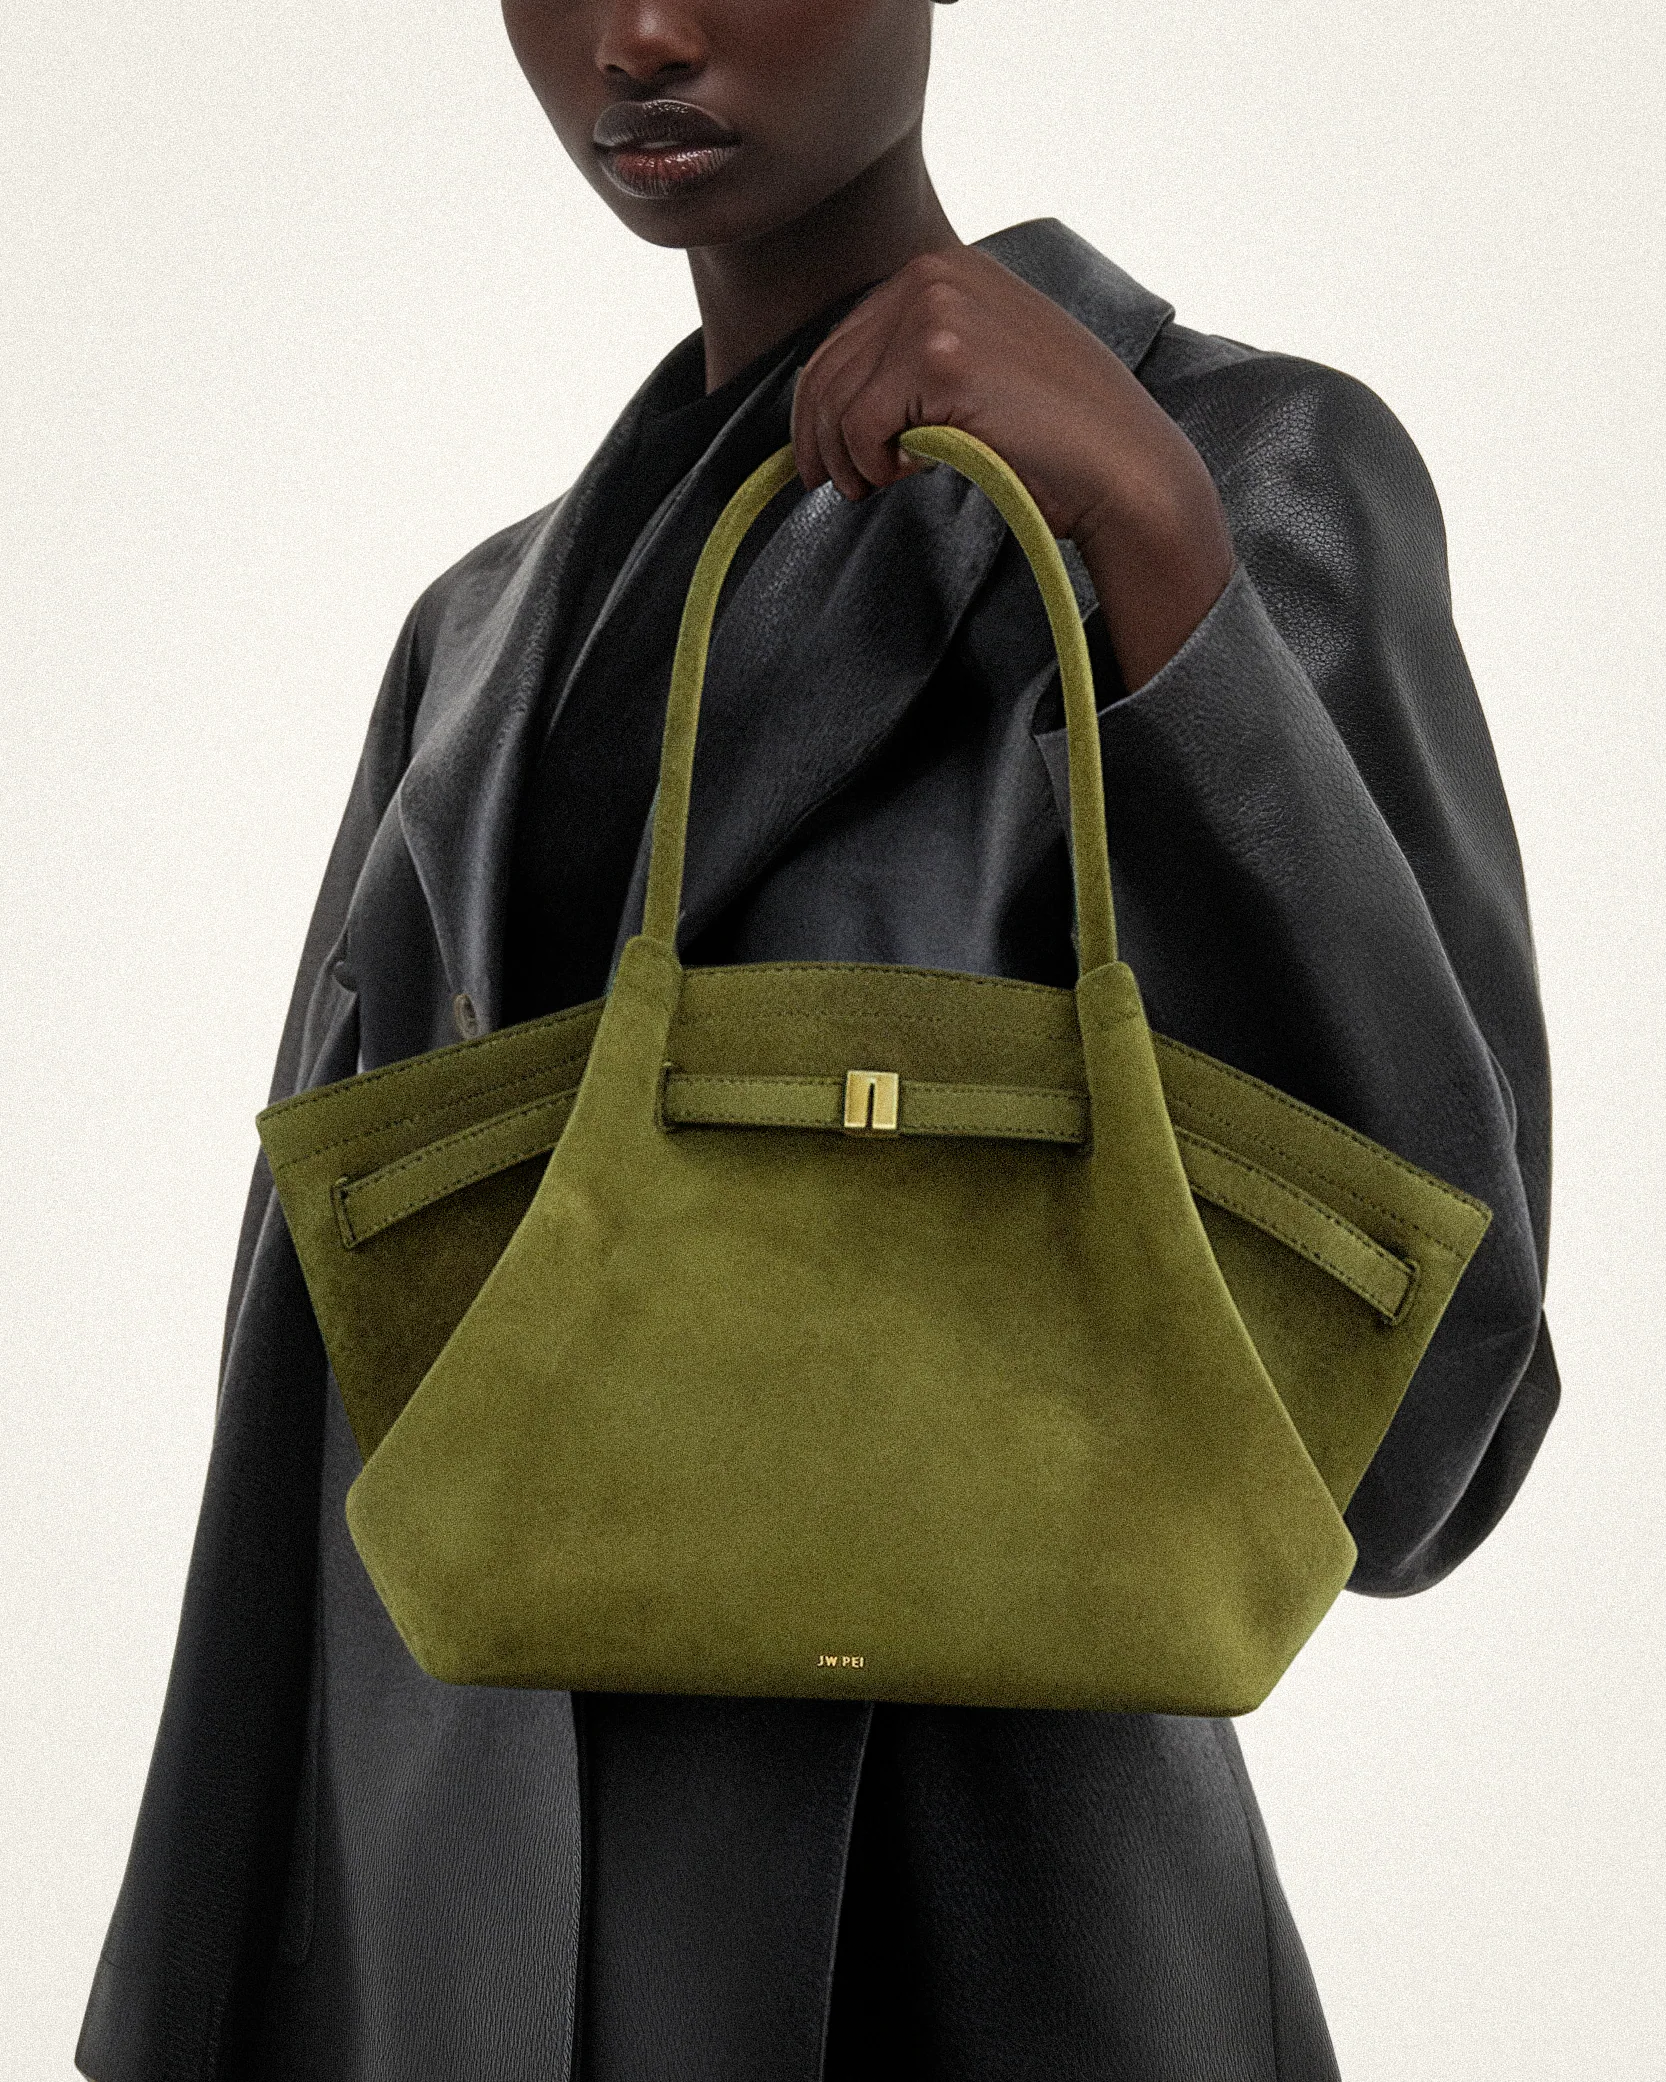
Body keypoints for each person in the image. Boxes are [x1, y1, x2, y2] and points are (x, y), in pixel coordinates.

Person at [78, 3, 1557, 2078]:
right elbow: (303, 1421)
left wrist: (1154, 556)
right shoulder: (472, 643)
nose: (638, 32)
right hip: (449, 1964)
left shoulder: (1229, 475)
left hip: (984, 1949)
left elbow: (1431, 1444)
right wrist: (195, 2002)